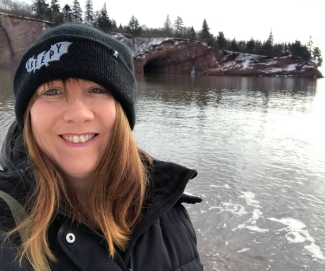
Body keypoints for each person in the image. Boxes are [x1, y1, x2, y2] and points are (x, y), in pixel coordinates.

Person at [0, 23, 203, 271]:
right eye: (52, 91)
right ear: (28, 114)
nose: (77, 114)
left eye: (97, 89)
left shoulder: (170, 211)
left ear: (123, 111)